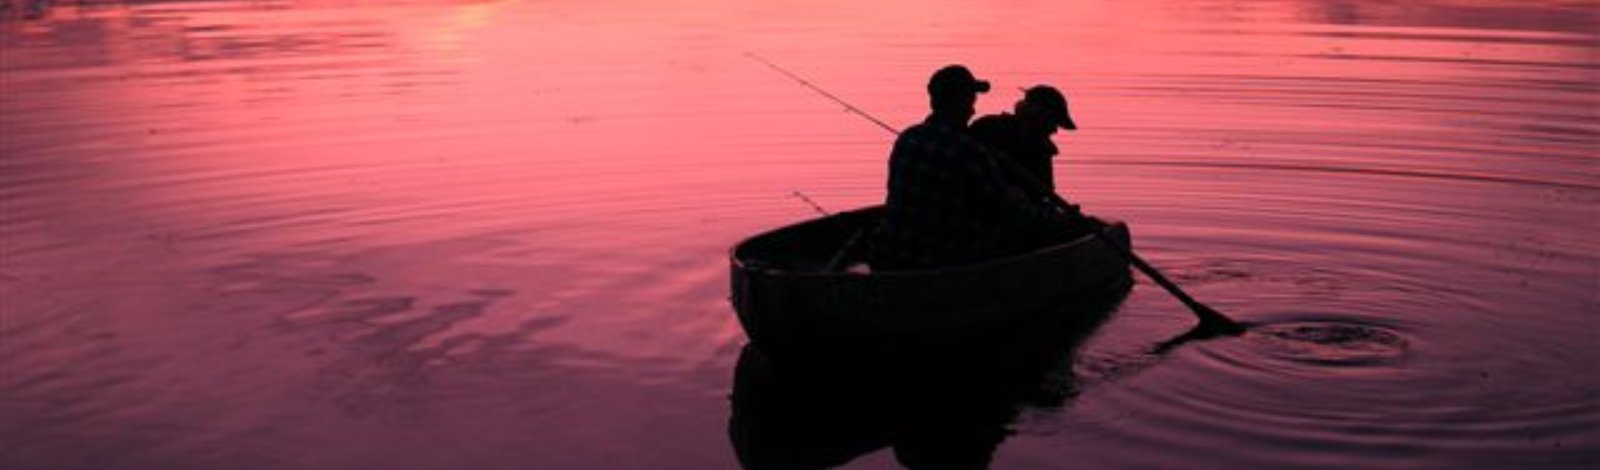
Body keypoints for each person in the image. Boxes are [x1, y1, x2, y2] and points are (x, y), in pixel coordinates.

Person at [870, 66, 1072, 271]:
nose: (974, 110)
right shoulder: (971, 152)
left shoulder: (907, 137)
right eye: (971, 101)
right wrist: (1059, 221)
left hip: (888, 255)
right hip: (940, 262)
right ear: (962, 103)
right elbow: (1011, 211)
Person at [970, 85, 1077, 192]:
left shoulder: (1042, 151)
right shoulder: (988, 129)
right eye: (1053, 122)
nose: (1054, 130)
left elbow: (1045, 192)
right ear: (1038, 116)